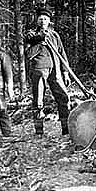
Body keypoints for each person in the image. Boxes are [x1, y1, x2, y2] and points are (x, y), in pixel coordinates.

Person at [25, 8, 71, 136]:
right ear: (37, 20)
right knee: (38, 100)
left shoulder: (54, 35)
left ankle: (65, 129)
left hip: (55, 70)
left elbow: (62, 53)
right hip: (39, 70)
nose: (43, 21)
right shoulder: (31, 34)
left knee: (63, 97)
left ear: (49, 21)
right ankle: (39, 131)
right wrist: (39, 40)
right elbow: (28, 54)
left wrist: (65, 72)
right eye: (40, 19)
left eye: (45, 19)